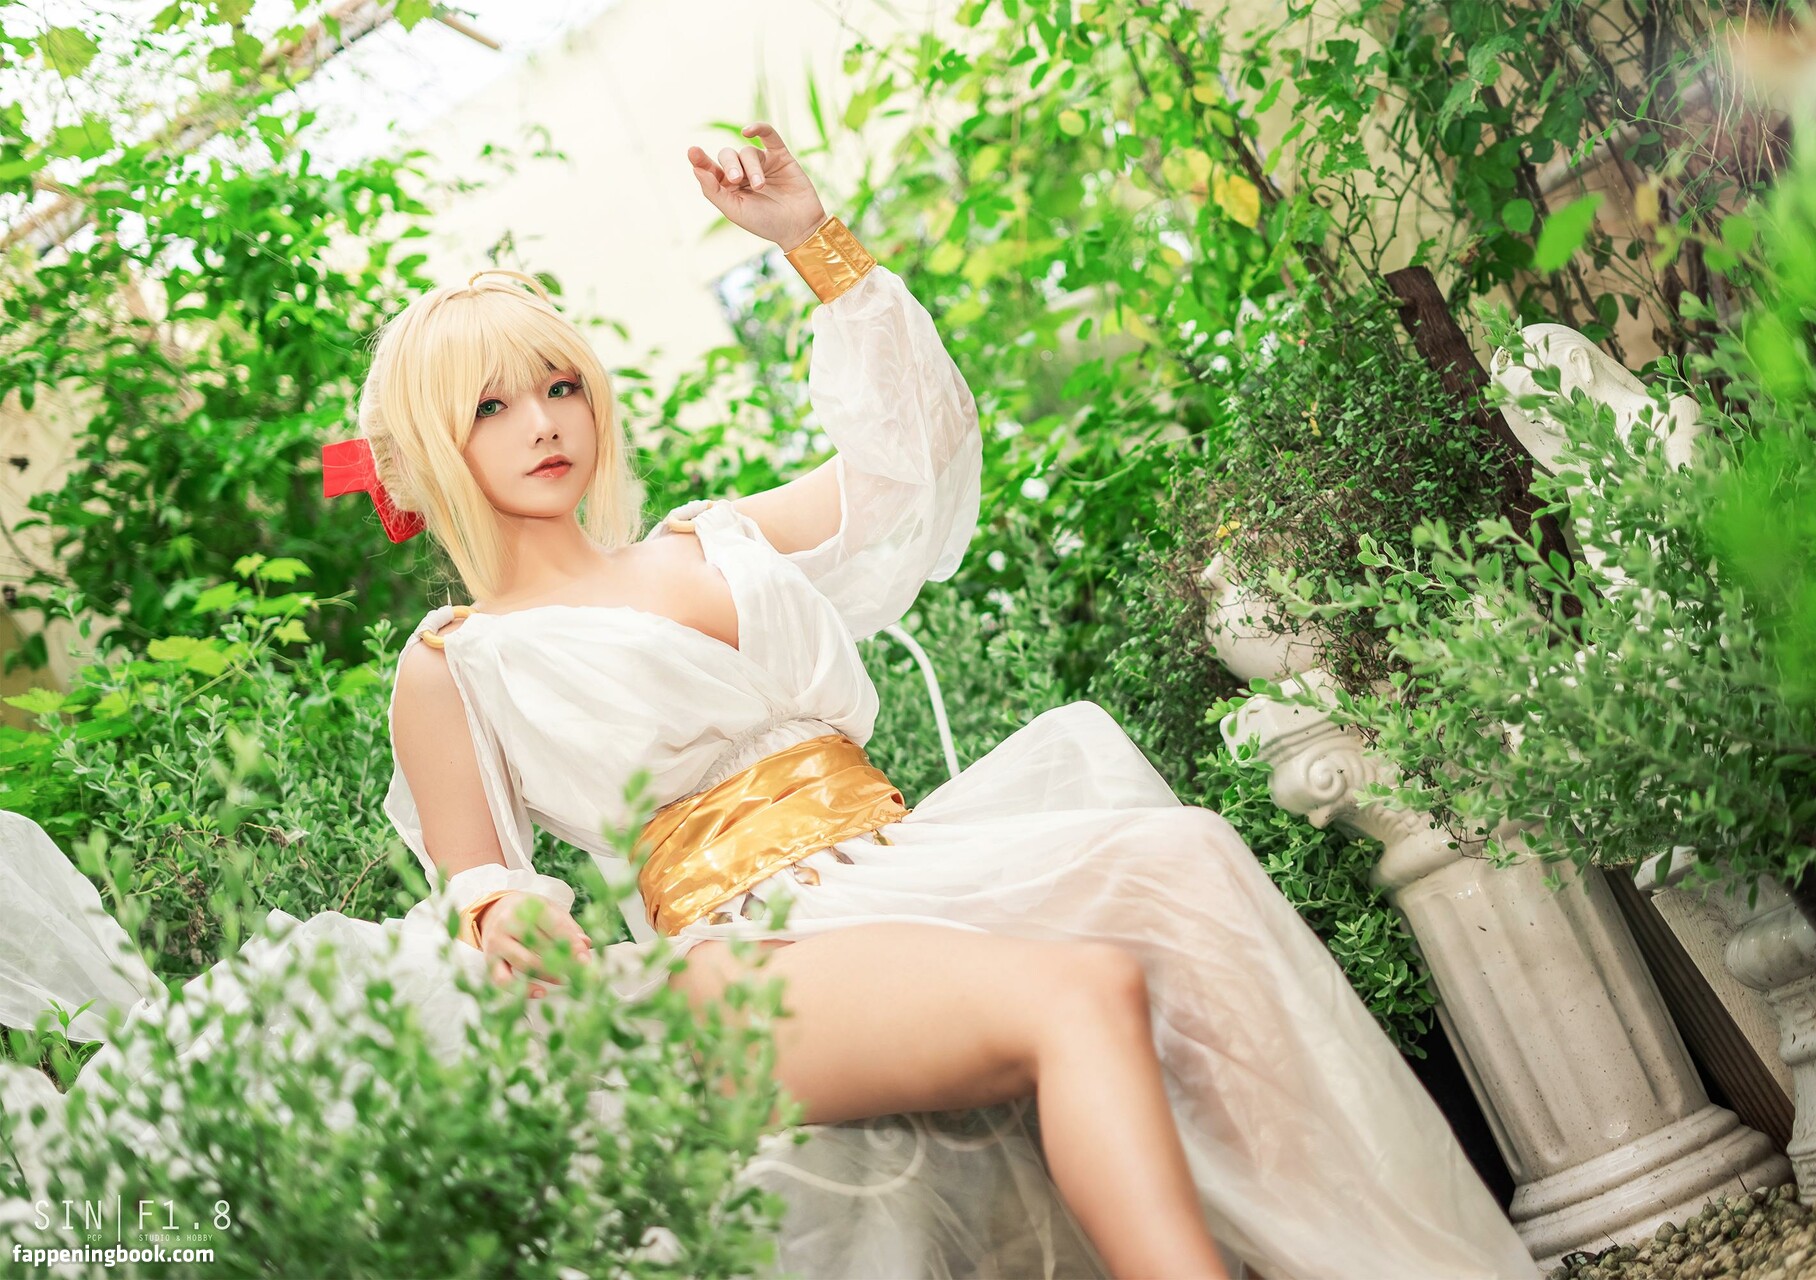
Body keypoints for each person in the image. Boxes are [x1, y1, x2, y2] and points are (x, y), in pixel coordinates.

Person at [0, 121, 1539, 1279]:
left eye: (559, 385)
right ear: (435, 450)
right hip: (731, 951)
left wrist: (816, 243)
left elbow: (912, 468)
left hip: (902, 858)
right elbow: (474, 880)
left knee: (1180, 857)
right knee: (1077, 993)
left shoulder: (711, 539)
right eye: (491, 405)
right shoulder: (457, 655)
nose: (541, 423)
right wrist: (505, 915)